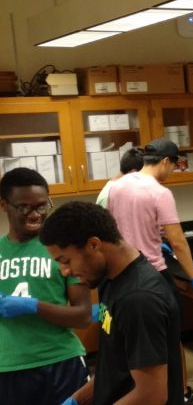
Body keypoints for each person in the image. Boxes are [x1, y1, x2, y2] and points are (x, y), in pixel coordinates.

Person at [41, 201, 183, 405]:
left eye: (66, 261)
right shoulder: (110, 278)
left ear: (94, 245)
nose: (65, 271)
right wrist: (77, 400)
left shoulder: (138, 299)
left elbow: (151, 395)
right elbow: (115, 367)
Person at [106, 138, 193, 404]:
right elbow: (177, 241)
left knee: (129, 351)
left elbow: (114, 228)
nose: (173, 172)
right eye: (175, 165)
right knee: (167, 350)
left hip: (120, 277)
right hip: (152, 278)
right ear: (165, 161)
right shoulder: (159, 192)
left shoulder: (117, 186)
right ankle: (174, 397)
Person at [0, 168, 90, 405]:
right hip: (8, 367)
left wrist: (34, 306)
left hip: (61, 361)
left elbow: (82, 316)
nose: (35, 214)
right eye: (24, 207)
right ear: (3, 204)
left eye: (42, 205)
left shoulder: (66, 250)